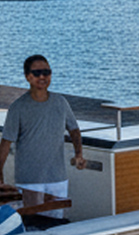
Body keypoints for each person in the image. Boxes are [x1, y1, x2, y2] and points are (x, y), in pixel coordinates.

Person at [0, 54, 86, 217]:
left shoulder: (60, 102)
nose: (43, 76)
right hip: (29, 181)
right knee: (33, 225)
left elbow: (74, 129)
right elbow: (6, 143)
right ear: (28, 77)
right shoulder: (17, 107)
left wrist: (79, 154)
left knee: (56, 224)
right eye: (37, 73)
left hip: (57, 178)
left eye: (46, 72)